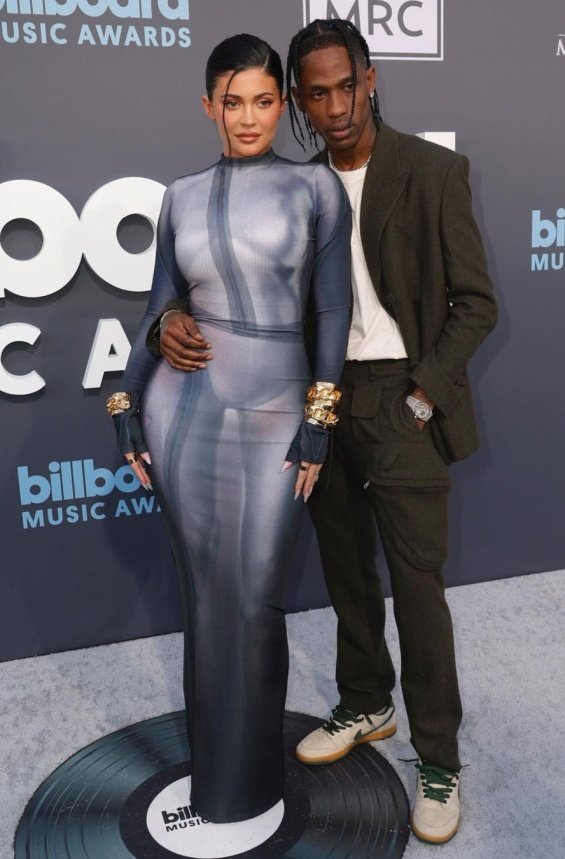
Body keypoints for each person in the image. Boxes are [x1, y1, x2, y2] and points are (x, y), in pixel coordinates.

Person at [150, 18, 497, 844]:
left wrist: (420, 396)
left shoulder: (433, 171)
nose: (335, 105)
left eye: (347, 85)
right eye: (316, 92)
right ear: (296, 102)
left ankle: (439, 757)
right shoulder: (291, 186)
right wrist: (166, 315)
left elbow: (474, 303)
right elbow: (211, 286)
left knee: (415, 585)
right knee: (343, 568)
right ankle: (367, 700)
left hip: (399, 397)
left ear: (370, 79)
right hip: (312, 399)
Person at [105, 33, 351, 824]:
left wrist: (318, 421)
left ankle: (251, 783)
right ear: (208, 105)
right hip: (185, 414)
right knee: (207, 600)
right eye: (231, 101)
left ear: (283, 104)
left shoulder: (315, 191)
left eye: (264, 101)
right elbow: (155, 314)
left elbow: (331, 310)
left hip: (279, 415)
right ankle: (217, 784)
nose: (247, 118)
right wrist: (124, 406)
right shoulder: (178, 195)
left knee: (251, 599)